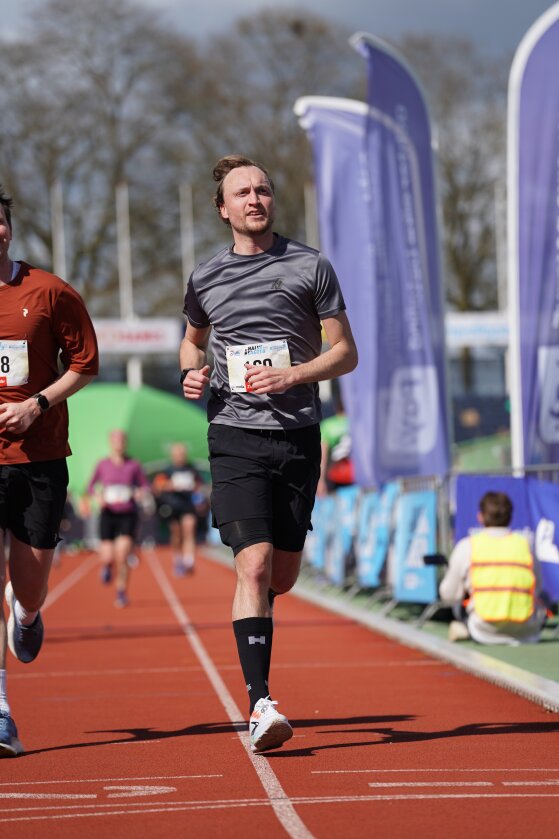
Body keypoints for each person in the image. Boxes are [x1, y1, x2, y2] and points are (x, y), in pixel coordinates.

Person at [179, 155, 358, 753]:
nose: (255, 199)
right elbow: (191, 343)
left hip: (298, 433)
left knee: (281, 574)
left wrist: (294, 374)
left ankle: (257, 614)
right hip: (234, 434)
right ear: (222, 209)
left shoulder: (311, 265)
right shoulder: (205, 277)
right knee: (252, 567)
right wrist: (191, 373)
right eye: (242, 193)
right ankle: (261, 704)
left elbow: (346, 353)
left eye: (262, 190)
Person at [0, 186, 98, 757]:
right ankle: (2, 712)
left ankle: (28, 609)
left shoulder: (49, 291)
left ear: (9, 228)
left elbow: (85, 363)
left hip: (38, 459)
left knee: (31, 584)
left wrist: (37, 404)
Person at [439, 491, 547, 645]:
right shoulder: (525, 545)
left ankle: (463, 628)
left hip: (483, 630)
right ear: (510, 517)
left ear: (480, 517)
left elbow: (448, 594)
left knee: (460, 600)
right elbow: (537, 588)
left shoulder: (468, 545)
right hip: (526, 630)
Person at [83, 429, 150, 608]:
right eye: (116, 441)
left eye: (122, 441)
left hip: (128, 513)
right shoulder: (102, 464)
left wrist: (140, 492)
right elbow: (90, 486)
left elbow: (145, 485)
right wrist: (98, 497)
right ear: (111, 443)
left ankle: (121, 592)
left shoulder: (134, 465)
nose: (119, 444)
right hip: (108, 513)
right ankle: (106, 566)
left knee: (123, 554)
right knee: (107, 556)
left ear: (126, 443)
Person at [152, 442, 206, 576]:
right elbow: (157, 486)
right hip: (173, 505)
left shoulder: (191, 468)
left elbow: (200, 485)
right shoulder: (168, 470)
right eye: (177, 454)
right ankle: (177, 559)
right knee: (176, 534)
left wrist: (196, 491)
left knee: (189, 529)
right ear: (173, 455)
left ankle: (189, 561)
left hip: (188, 504)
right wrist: (170, 485)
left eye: (182, 454)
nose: (180, 457)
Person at [317, 381, 354, 497]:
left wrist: (320, 481)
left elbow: (322, 457)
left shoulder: (328, 426)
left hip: (336, 476)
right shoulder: (357, 424)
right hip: (356, 476)